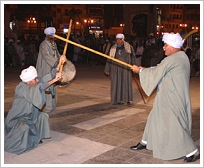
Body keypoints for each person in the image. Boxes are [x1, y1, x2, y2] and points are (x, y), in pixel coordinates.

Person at [130, 32, 200, 162]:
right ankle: (145, 141)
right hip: (173, 94)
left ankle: (193, 151)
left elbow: (158, 71)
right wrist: (144, 69)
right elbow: (162, 69)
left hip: (171, 96)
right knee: (154, 117)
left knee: (174, 124)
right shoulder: (182, 56)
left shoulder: (172, 59)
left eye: (166, 45)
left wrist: (139, 71)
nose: (163, 48)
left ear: (173, 47)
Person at [4, 58, 65, 155]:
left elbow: (44, 78)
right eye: (35, 79)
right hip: (17, 119)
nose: (37, 80)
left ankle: (37, 137)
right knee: (23, 127)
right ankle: (18, 144)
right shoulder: (21, 88)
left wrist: (59, 65)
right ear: (28, 81)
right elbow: (40, 87)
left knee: (43, 116)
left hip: (30, 116)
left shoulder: (32, 83)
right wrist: (54, 80)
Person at [36, 27, 66, 112]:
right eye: (51, 36)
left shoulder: (53, 44)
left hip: (53, 67)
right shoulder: (44, 44)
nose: (53, 37)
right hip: (45, 68)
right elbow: (46, 56)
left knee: (53, 85)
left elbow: (57, 54)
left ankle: (52, 105)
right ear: (47, 35)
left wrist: (62, 58)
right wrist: (57, 61)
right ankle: (47, 106)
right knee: (47, 85)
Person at [104, 33, 136, 106]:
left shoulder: (129, 47)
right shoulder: (113, 48)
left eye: (120, 40)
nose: (118, 41)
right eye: (117, 40)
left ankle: (128, 100)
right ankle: (116, 99)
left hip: (125, 69)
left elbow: (133, 57)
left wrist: (133, 66)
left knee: (126, 83)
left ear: (123, 40)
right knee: (116, 84)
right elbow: (109, 59)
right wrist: (107, 69)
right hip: (115, 68)